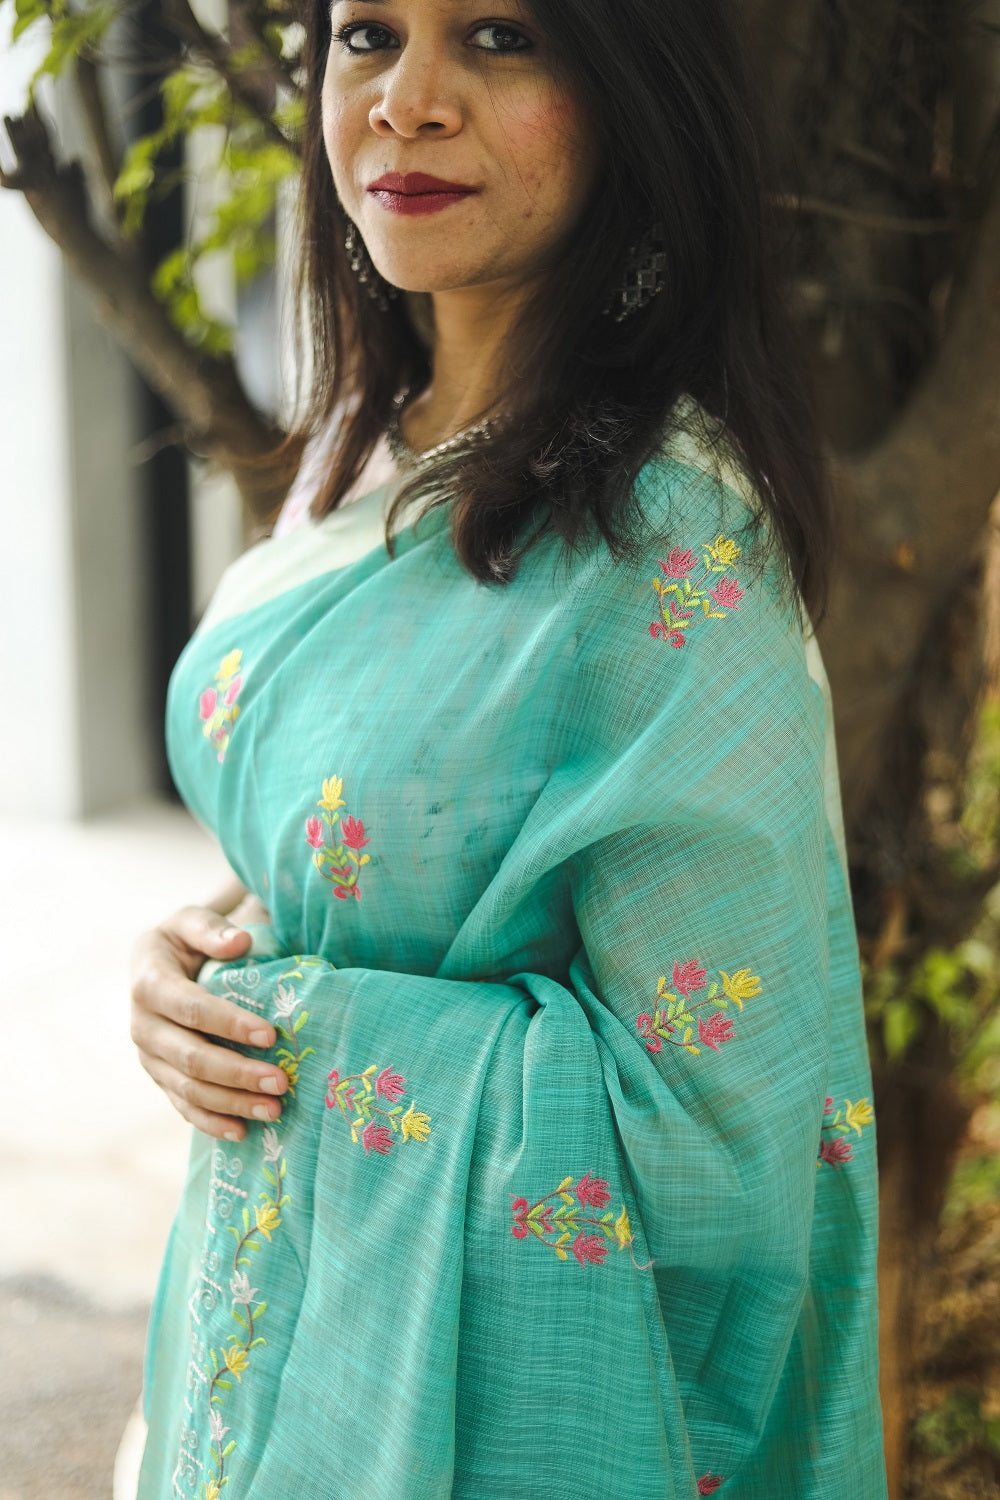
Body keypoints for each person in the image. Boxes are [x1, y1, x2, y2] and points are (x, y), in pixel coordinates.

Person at [127, 0, 888, 1494]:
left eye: (498, 35)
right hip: (281, 1347)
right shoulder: (360, 445)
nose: (408, 101)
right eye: (367, 36)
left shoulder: (665, 540)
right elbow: (351, 870)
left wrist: (305, 1029)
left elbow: (712, 1143)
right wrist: (202, 967)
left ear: (633, 101)